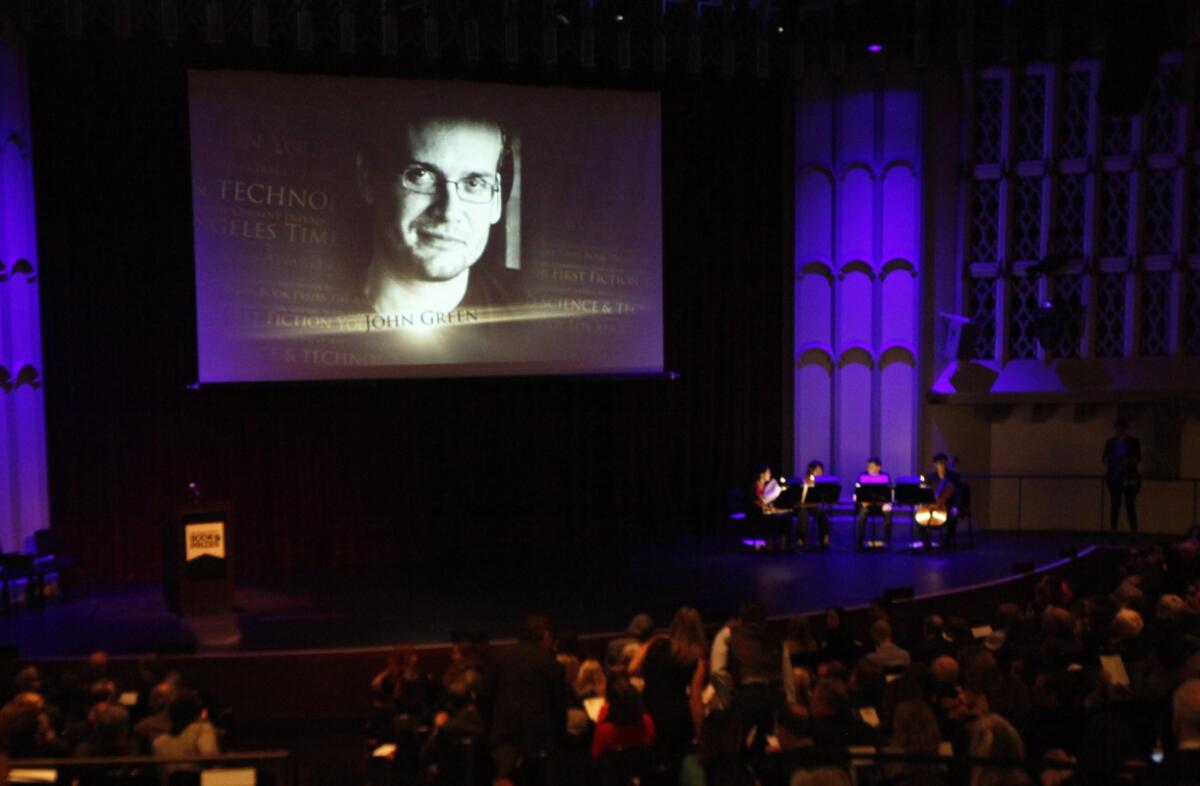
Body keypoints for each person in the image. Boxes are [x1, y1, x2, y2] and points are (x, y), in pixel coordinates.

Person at [356, 110, 523, 316]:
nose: (448, 211)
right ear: (369, 179)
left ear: (496, 199)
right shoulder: (312, 302)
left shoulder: (538, 326)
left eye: (473, 183)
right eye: (421, 175)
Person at [479, 614, 567, 784]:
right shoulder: (551, 665)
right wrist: (558, 741)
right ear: (546, 636)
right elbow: (559, 709)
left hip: (504, 735)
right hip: (539, 740)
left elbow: (484, 696)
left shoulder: (499, 658)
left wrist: (491, 726)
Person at [629, 606, 707, 762]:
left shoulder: (656, 645)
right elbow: (695, 701)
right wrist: (701, 736)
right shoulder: (695, 660)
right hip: (676, 718)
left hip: (648, 710)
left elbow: (632, 669)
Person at [590, 676, 656, 759]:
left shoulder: (604, 731)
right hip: (642, 770)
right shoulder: (647, 722)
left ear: (612, 706)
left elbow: (596, 756)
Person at [1102, 419, 1142, 538]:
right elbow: (1104, 458)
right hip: (1115, 476)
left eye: (1121, 428)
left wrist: (1127, 461)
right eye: (1118, 428)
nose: (1119, 431)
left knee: (1129, 503)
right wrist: (1111, 459)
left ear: (1125, 429)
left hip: (1128, 477)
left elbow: (1138, 459)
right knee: (1116, 503)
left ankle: (1133, 531)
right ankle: (1114, 530)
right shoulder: (1110, 443)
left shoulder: (1133, 442)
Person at [916, 454, 958, 550]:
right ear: (935, 465)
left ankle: (947, 543)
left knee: (952, 517)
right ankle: (926, 542)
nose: (942, 466)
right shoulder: (930, 477)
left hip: (947, 505)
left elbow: (958, 494)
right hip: (930, 505)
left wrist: (956, 507)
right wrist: (920, 503)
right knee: (919, 518)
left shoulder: (953, 477)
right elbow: (924, 491)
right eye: (939, 464)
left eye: (944, 463)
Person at [855, 457, 893, 550]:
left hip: (881, 505)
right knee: (862, 514)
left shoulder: (885, 477)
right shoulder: (862, 476)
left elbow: (890, 493)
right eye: (868, 466)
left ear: (878, 467)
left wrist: (888, 504)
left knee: (888, 513)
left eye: (872, 466)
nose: (869, 468)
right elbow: (857, 492)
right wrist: (859, 500)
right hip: (867, 505)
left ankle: (886, 541)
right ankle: (860, 542)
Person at [799, 460, 832, 549]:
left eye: (821, 470)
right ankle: (802, 539)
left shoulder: (822, 482)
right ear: (811, 470)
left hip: (814, 506)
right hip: (804, 506)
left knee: (822, 514)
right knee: (803, 513)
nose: (819, 472)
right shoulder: (805, 480)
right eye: (817, 470)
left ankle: (824, 538)